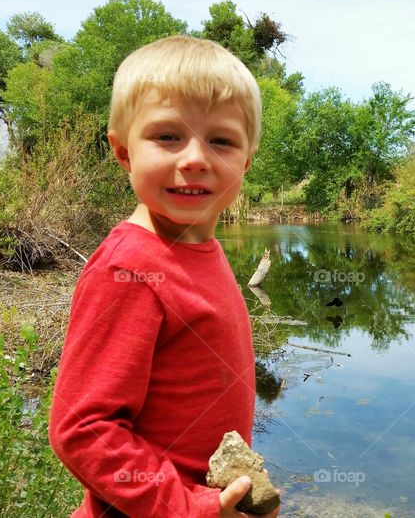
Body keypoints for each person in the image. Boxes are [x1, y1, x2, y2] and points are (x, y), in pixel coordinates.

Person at [48, 35, 278, 518]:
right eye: (168, 136)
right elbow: (84, 429)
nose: (194, 158)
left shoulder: (201, 249)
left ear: (246, 160)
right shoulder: (129, 268)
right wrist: (186, 507)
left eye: (221, 140)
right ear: (123, 152)